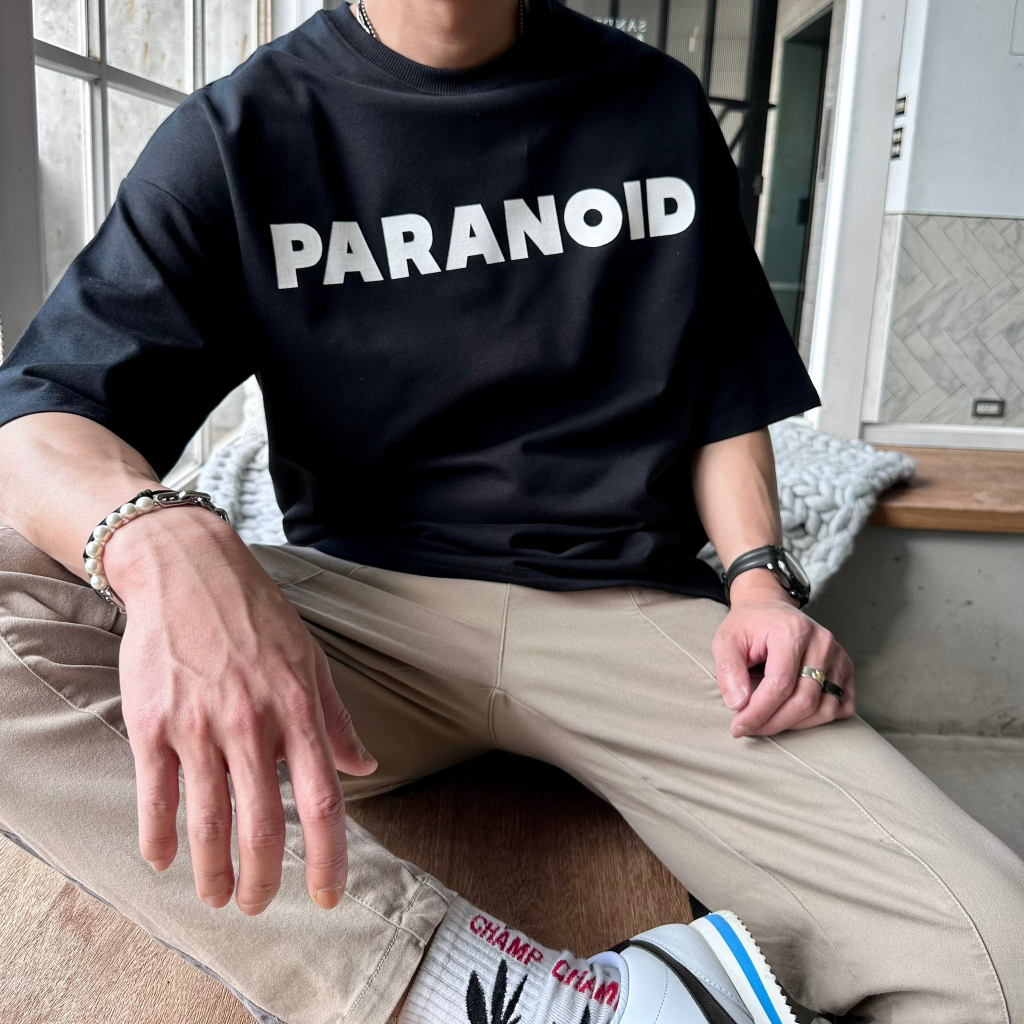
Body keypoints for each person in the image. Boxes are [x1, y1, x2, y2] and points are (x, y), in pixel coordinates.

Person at [0, 1, 1021, 1021]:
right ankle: (512, 1000)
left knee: (997, 966)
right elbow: (38, 418)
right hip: (358, 630)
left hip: (627, 610)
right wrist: (164, 535)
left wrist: (759, 579)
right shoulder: (240, 133)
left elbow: (723, 392)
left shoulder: (655, 105)